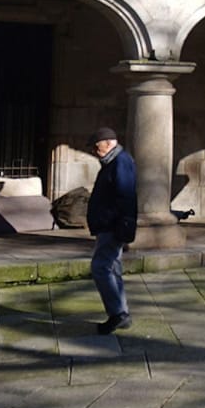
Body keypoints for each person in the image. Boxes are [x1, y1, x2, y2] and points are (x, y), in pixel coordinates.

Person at [86, 127, 137, 334]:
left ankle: (117, 313)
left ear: (108, 143)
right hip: (110, 224)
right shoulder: (113, 162)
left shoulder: (120, 162)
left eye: (96, 147)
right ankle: (120, 312)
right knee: (112, 267)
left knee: (101, 267)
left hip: (112, 225)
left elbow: (125, 197)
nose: (94, 152)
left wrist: (123, 226)